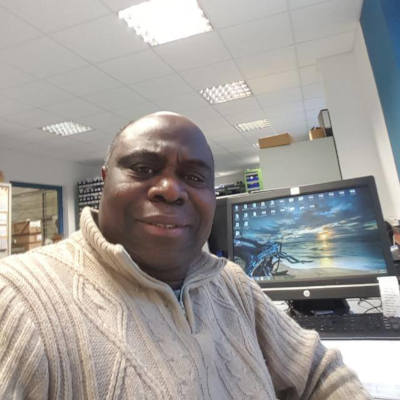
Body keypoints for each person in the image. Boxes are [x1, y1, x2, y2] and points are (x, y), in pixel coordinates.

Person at [0, 112, 370, 399]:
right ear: (105, 179)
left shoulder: (232, 284)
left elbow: (320, 372)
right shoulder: (20, 297)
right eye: (143, 169)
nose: (170, 190)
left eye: (194, 178)